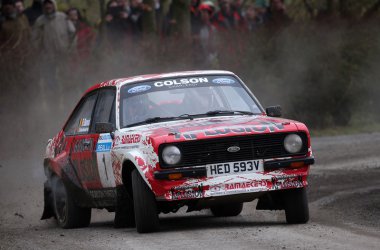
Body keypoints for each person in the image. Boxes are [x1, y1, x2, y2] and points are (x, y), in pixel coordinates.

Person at [33, 0, 76, 89]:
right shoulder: (40, 21)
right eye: (46, 4)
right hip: (48, 58)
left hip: (63, 55)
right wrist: (40, 52)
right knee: (50, 83)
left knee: (66, 81)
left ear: (54, 5)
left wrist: (70, 49)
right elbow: (35, 39)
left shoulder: (63, 17)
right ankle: (53, 101)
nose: (48, 6)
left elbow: (73, 33)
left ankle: (69, 100)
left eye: (50, 4)